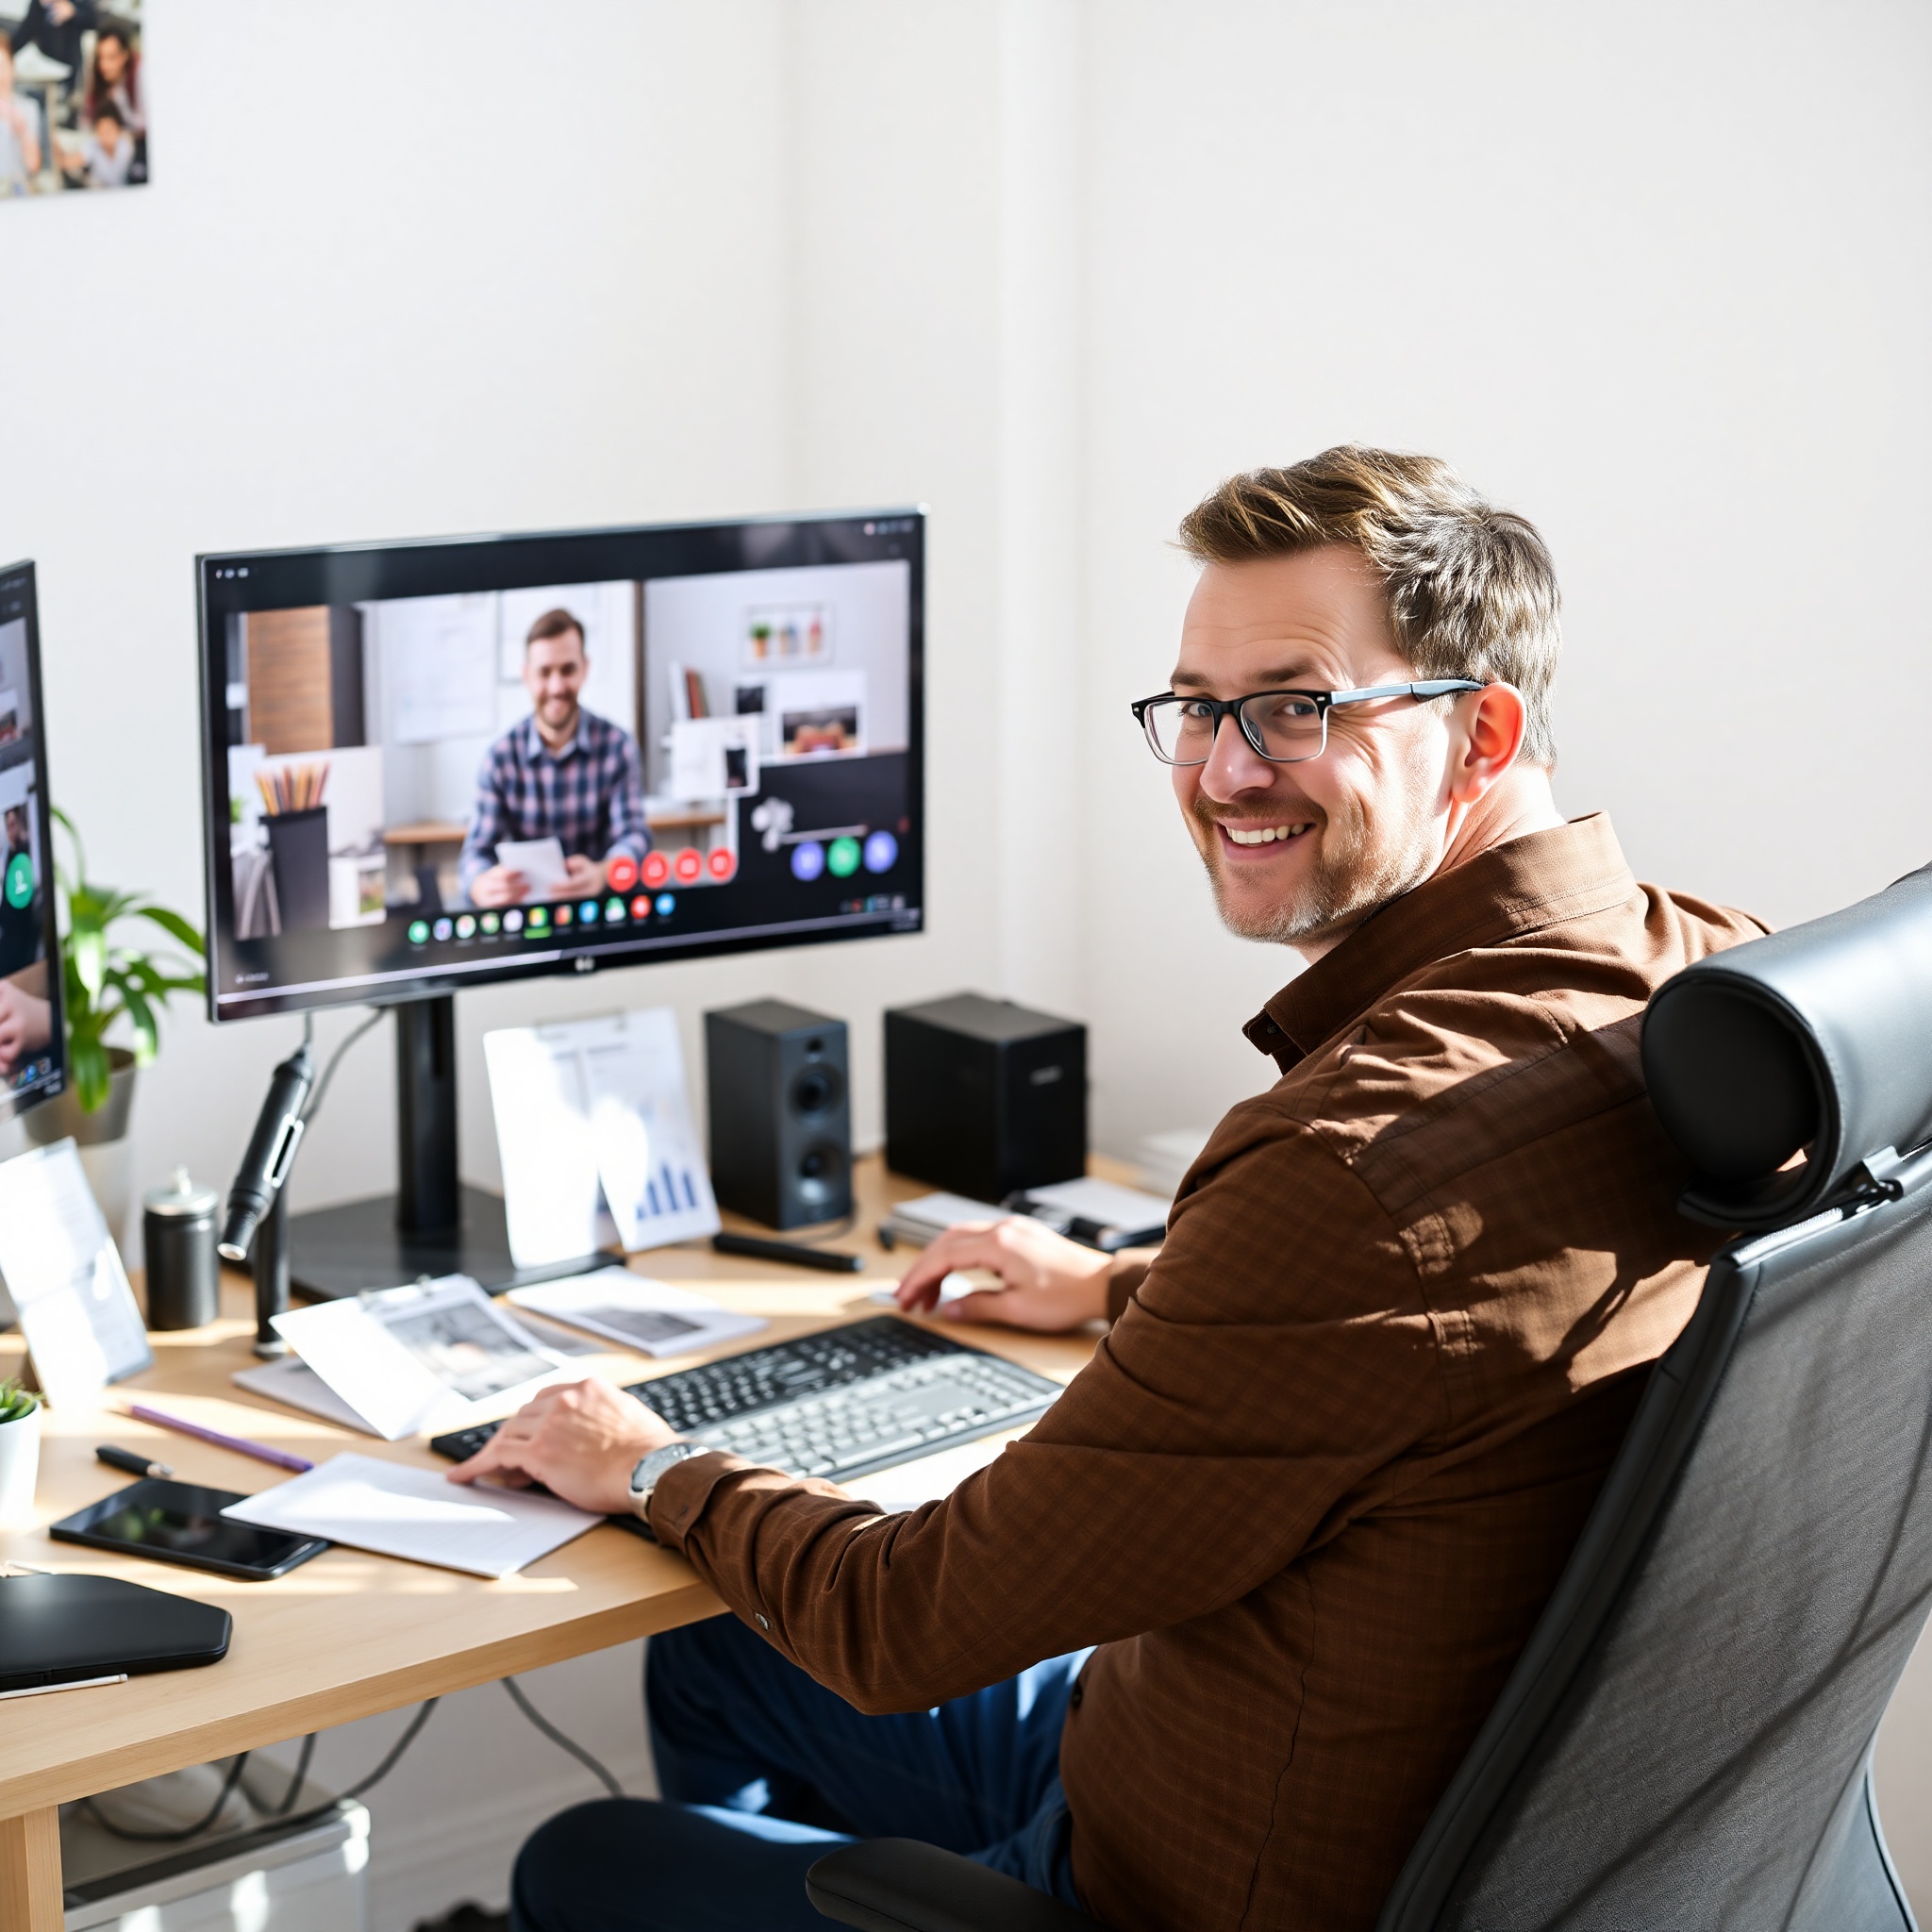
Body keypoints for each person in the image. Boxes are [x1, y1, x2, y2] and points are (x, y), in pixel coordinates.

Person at [457, 448, 1764, 1932]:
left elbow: (903, 1622)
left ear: (1481, 735)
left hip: (1172, 1881)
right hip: (1380, 1801)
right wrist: (1120, 1288)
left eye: (1293, 705)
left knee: (582, 1861)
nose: (1221, 770)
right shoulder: (1713, 988)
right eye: (1196, 709)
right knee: (720, 1647)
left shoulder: (1348, 1167)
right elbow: (1470, 1320)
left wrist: (643, 1459)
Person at [458, 608, 649, 908]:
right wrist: (481, 883)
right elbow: (474, 856)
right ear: (526, 676)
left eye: (568, 670)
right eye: (545, 672)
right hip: (525, 921)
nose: (557, 687)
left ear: (585, 669)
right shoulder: (499, 758)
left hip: (600, 913)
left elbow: (635, 837)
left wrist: (603, 873)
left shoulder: (617, 746)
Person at [82, 14, 140, 136]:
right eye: (101, 58)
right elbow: (87, 121)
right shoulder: (101, 86)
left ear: (125, 55)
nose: (104, 65)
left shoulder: (138, 77)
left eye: (111, 58)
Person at [0, 39, 44, 195]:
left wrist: (23, 132)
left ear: (12, 67)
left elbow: (33, 166)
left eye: (3, 67)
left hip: (17, 192)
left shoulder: (28, 107)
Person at [65, 92, 131, 185]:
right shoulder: (93, 145)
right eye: (101, 132)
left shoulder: (127, 145)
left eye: (109, 131)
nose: (105, 136)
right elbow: (69, 162)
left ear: (119, 130)